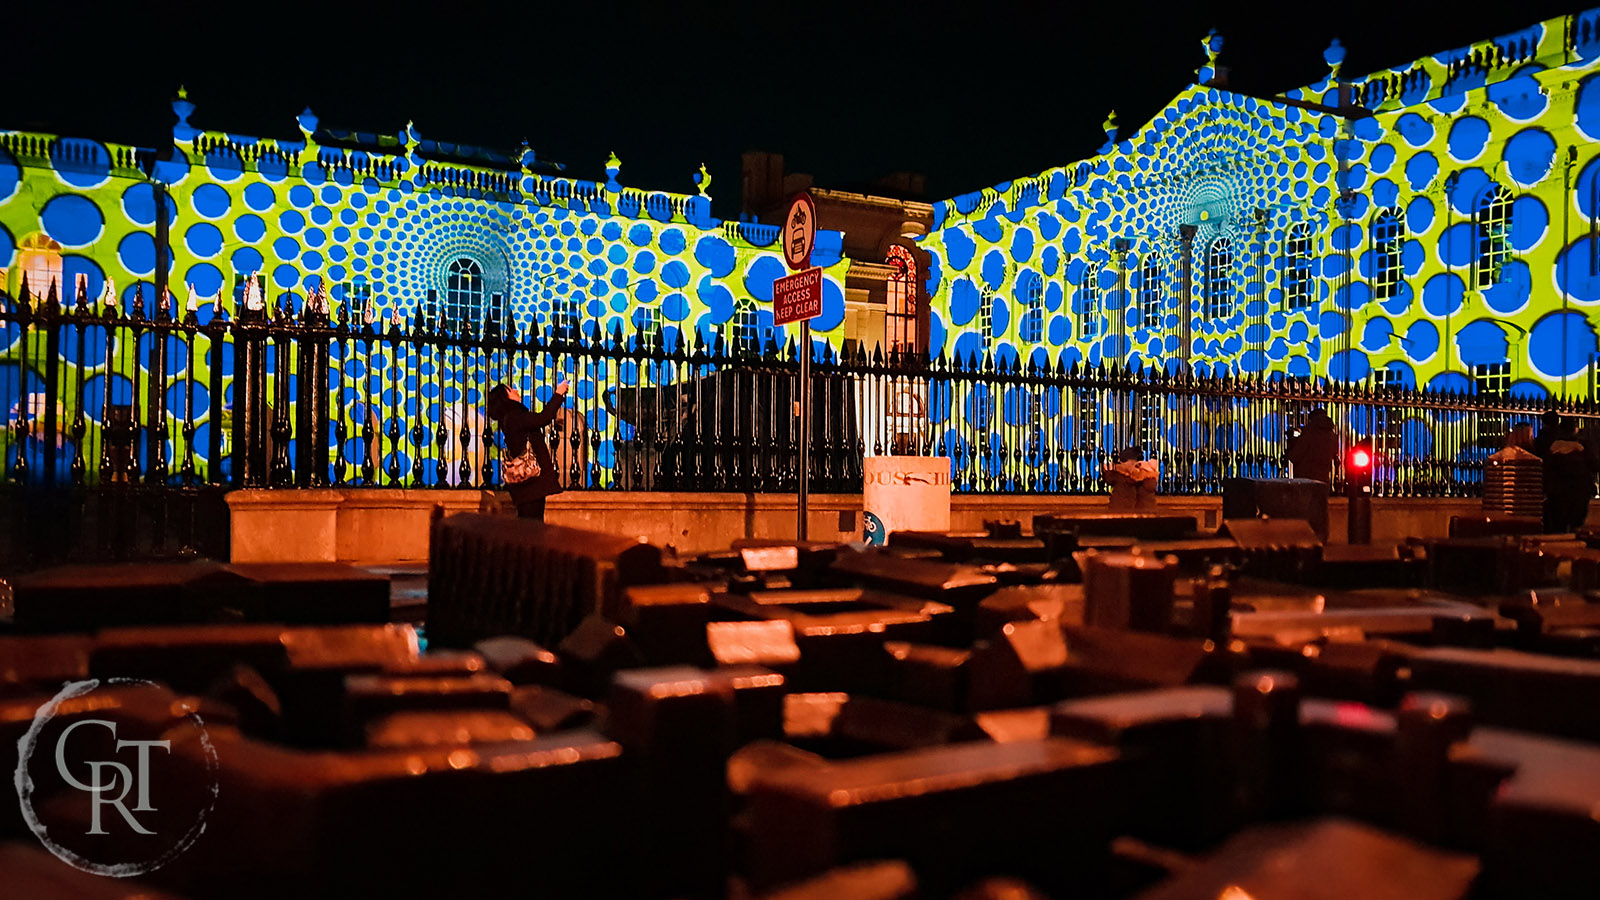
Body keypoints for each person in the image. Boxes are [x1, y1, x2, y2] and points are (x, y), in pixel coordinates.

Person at [486, 379, 569, 521]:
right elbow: (544, 417)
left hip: (527, 485)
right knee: (532, 526)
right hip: (530, 483)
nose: (515, 390)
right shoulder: (515, 417)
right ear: (505, 397)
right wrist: (558, 394)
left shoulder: (510, 418)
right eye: (510, 390)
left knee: (529, 524)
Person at [1542, 419, 1596, 533]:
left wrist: (1546, 489)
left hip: (1558, 492)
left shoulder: (1553, 447)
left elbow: (1547, 469)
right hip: (1580, 491)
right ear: (1574, 430)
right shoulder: (1582, 446)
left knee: (1559, 525)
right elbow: (1595, 465)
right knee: (1576, 524)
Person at [1287, 408, 1339, 485]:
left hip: (1306, 477)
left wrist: (1293, 443)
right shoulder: (1332, 435)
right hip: (1323, 478)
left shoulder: (1310, 432)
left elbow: (1296, 454)